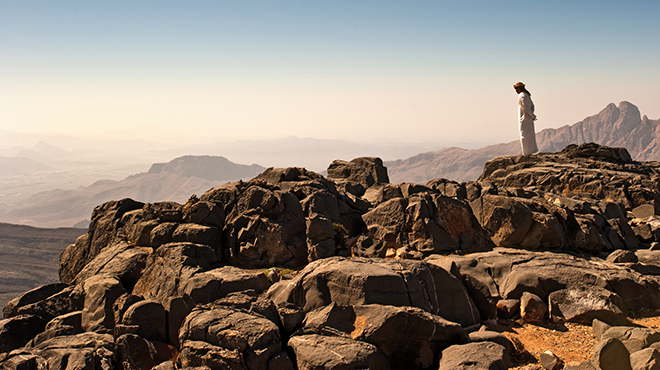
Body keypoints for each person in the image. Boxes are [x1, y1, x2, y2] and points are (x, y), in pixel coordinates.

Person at [514, 81, 538, 155]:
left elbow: (526, 107)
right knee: (529, 135)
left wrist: (531, 115)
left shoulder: (522, 95)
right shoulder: (526, 95)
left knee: (524, 135)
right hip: (528, 118)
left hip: (524, 119)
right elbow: (532, 106)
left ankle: (526, 153)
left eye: (516, 89)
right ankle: (529, 152)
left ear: (519, 88)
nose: (515, 91)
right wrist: (531, 114)